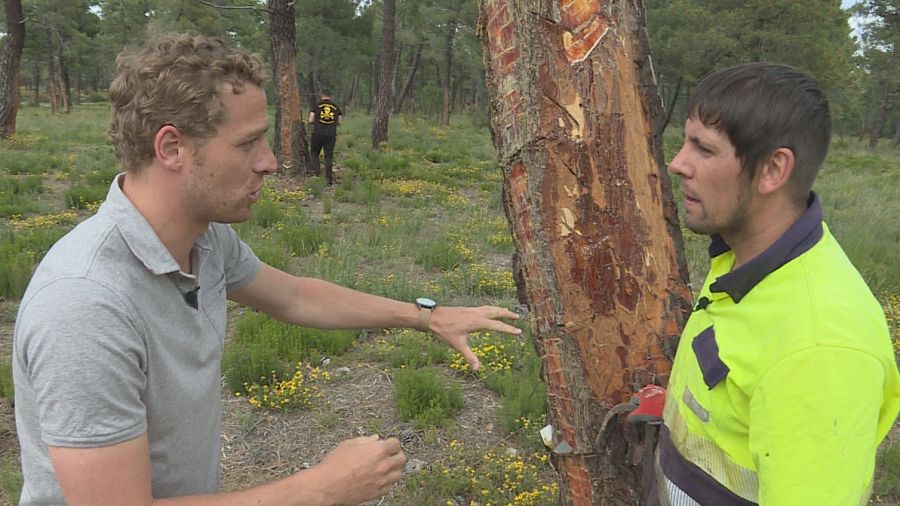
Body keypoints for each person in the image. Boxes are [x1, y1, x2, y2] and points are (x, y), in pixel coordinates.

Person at [11, 34, 521, 506]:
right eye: (246, 143)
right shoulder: (84, 305)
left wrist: (426, 316)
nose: (270, 162)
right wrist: (320, 488)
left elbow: (295, 296)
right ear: (171, 148)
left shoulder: (205, 239)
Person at [644, 63, 900, 505]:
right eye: (686, 140)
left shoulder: (818, 347)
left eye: (704, 149)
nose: (677, 163)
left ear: (772, 170)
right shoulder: (744, 255)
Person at [308, 88, 342, 186]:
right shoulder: (335, 107)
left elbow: (311, 120)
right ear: (330, 96)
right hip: (330, 134)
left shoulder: (317, 105)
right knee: (328, 156)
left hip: (317, 133)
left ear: (321, 95)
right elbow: (339, 121)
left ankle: (317, 175)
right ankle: (329, 180)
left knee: (314, 153)